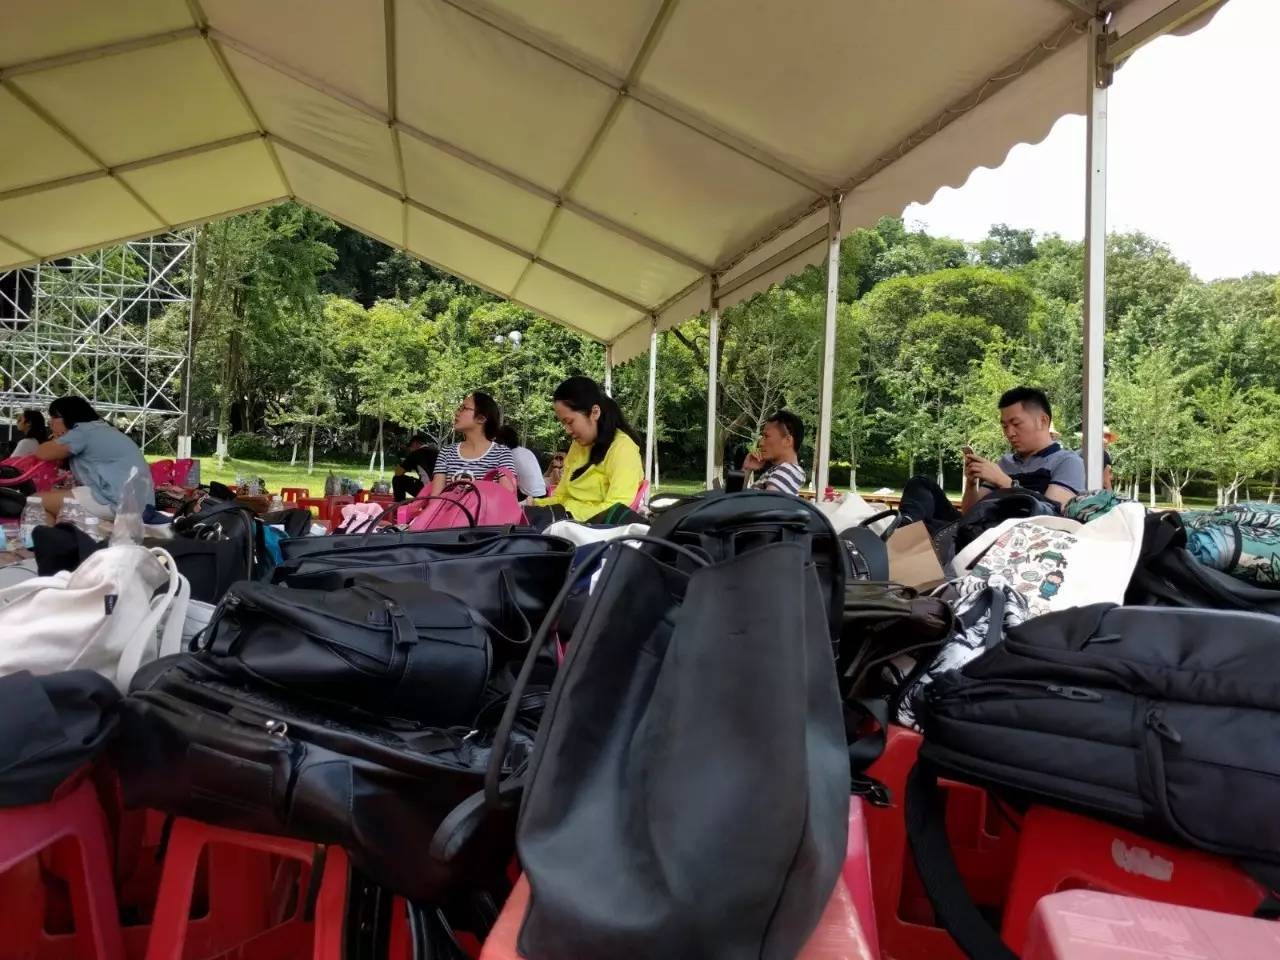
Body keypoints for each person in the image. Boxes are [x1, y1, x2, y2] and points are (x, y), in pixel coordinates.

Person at [900, 386, 1085, 527]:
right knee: (921, 484)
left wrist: (1004, 482)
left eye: (1016, 424)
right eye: (1004, 426)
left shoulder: (1067, 462)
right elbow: (969, 513)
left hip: (1015, 540)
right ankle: (902, 529)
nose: (1009, 433)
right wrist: (971, 483)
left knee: (927, 528)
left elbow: (1051, 517)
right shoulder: (1005, 463)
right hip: (977, 530)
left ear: (1043, 421)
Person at [529, 376, 644, 523]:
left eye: (570, 422)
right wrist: (533, 504)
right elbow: (562, 496)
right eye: (563, 424)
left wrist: (568, 514)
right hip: (566, 523)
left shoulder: (623, 449)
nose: (567, 430)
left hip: (595, 530)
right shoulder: (578, 446)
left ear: (595, 412)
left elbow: (616, 509)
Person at [33, 395, 153, 521]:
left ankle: (52, 533)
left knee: (35, 501)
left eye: (54, 417)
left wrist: (57, 438)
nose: (50, 423)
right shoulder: (101, 429)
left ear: (69, 416)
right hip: (139, 503)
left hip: (116, 501)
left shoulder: (83, 432)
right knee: (56, 505)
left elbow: (43, 453)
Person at [428, 392, 517, 496]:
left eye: (464, 408)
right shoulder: (446, 452)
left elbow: (507, 498)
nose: (456, 413)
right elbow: (436, 498)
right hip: (449, 507)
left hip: (486, 507)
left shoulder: (502, 453)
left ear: (481, 418)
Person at [742, 410, 806, 496]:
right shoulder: (779, 471)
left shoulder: (787, 470)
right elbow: (733, 499)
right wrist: (747, 469)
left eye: (766, 436)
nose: (761, 443)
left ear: (787, 441)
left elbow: (768, 503)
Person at [495, 424, 547, 499]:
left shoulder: (507, 455)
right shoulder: (526, 451)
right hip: (543, 493)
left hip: (528, 497)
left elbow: (504, 481)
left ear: (501, 441)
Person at [393, 433, 437, 501]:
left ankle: (399, 504)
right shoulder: (437, 452)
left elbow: (398, 473)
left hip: (426, 489)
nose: (410, 450)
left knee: (397, 479)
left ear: (415, 444)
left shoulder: (416, 454)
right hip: (439, 488)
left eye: (410, 447)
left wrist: (398, 467)